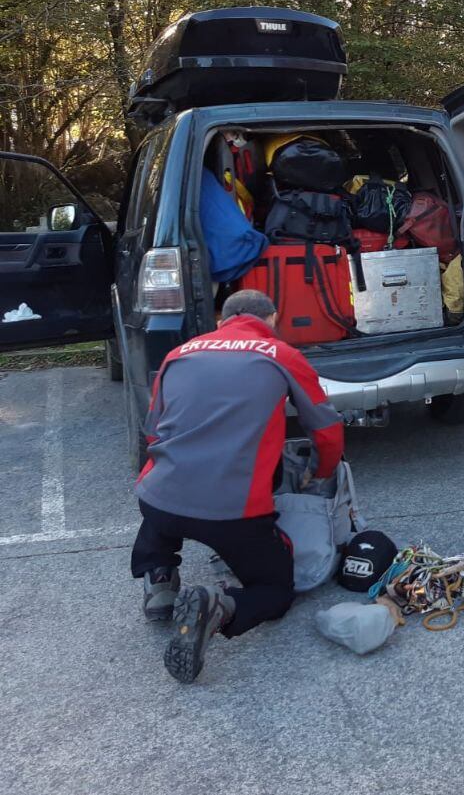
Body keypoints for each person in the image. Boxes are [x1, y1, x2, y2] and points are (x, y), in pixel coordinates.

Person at [131, 289, 345, 683]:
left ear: (220, 321)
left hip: (158, 498)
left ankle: (159, 579)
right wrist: (322, 470)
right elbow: (327, 430)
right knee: (275, 590)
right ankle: (219, 607)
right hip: (232, 514)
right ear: (273, 319)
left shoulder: (180, 353)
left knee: (162, 501)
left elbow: (152, 430)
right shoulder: (281, 355)